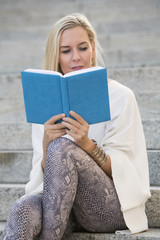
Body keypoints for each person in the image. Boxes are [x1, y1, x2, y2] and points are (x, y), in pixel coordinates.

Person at [2, 13, 151, 240]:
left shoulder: (121, 97)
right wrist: (45, 146)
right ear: (57, 56)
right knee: (22, 210)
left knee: (63, 148)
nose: (76, 58)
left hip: (110, 206)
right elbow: (39, 182)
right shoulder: (47, 101)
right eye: (66, 51)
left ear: (92, 47)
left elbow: (128, 170)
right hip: (63, 205)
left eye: (82, 48)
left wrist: (87, 145)